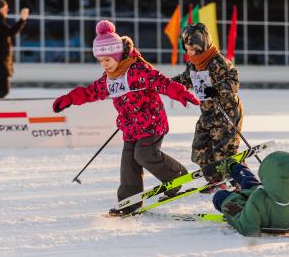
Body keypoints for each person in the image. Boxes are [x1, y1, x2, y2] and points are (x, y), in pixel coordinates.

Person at [52, 20, 200, 216]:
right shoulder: (108, 79)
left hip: (151, 123)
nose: (104, 65)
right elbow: (90, 92)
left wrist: (180, 93)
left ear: (117, 56)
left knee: (144, 155)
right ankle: (128, 202)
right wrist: (70, 98)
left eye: (107, 60)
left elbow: (160, 81)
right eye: (101, 61)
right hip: (130, 128)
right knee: (128, 164)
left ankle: (176, 175)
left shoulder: (137, 71)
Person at [172, 23, 242, 181]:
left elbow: (234, 81)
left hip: (226, 113)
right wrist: (166, 86)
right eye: (187, 49)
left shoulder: (217, 62)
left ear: (203, 46)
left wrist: (217, 89)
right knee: (200, 148)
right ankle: (214, 180)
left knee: (223, 152)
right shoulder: (194, 64)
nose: (190, 53)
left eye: (193, 49)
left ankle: (238, 180)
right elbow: (185, 80)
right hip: (208, 114)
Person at [203, 151, 289, 237]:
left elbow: (247, 229)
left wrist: (236, 213)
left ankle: (233, 166)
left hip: (252, 209)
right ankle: (234, 167)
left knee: (221, 196)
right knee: (250, 184)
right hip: (266, 197)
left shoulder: (259, 197)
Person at [0, 0, 29, 98]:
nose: (7, 11)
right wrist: (22, 19)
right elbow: (11, 32)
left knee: (3, 90)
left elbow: (8, 33)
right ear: (0, 10)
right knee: (4, 90)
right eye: (5, 8)